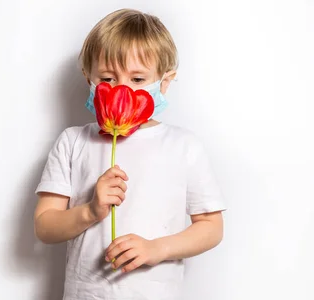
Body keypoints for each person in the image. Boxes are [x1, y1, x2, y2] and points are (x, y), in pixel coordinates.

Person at [33, 8, 227, 300]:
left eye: (137, 80)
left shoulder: (184, 146)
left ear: (164, 83)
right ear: (89, 80)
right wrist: (90, 211)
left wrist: (156, 248)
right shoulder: (73, 141)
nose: (121, 90)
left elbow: (211, 228)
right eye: (108, 79)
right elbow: (45, 226)